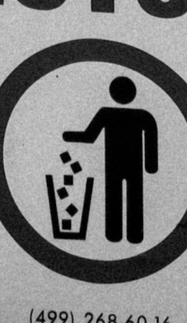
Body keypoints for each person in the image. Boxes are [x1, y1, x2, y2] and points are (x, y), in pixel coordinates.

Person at [62, 76, 158, 245]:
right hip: (129, 166)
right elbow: (90, 136)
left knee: (120, 197)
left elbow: (88, 136)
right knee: (129, 197)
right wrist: (151, 166)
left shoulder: (109, 113)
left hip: (116, 165)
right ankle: (130, 235)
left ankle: (117, 235)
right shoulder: (142, 116)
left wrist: (68, 135)